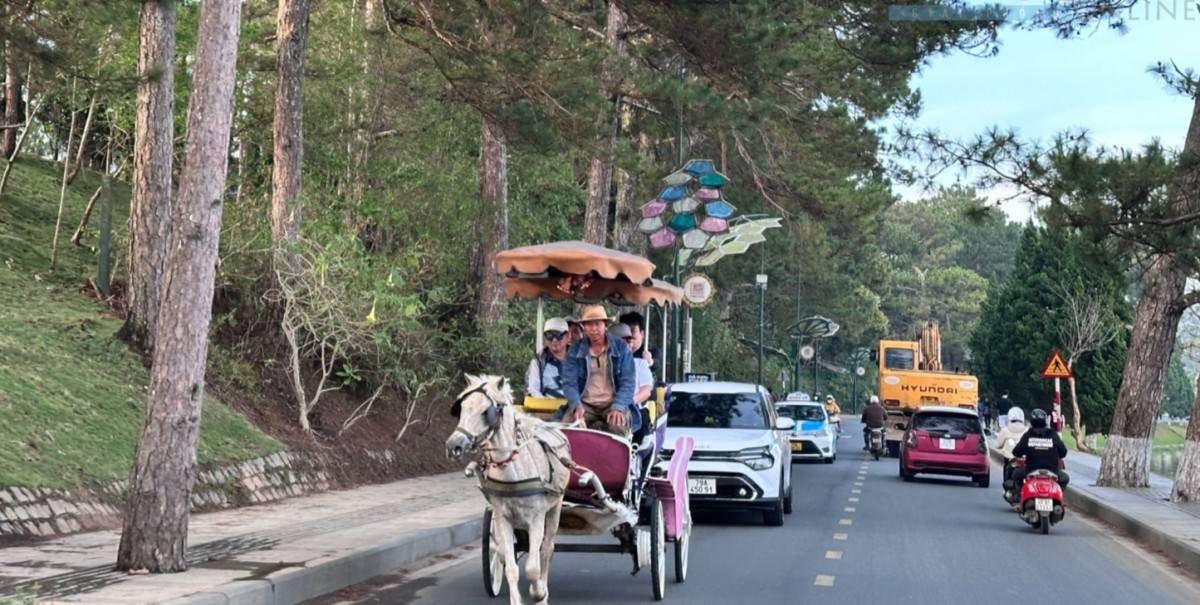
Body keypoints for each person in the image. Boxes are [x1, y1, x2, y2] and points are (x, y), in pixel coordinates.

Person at [558, 305, 638, 437]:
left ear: (605, 325)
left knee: (617, 425)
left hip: (612, 402)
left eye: (597, 324)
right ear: (584, 327)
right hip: (586, 404)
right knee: (568, 428)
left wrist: (618, 406)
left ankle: (621, 457)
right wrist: (576, 405)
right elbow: (569, 383)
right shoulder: (574, 350)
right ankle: (568, 458)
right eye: (589, 325)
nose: (594, 329)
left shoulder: (621, 347)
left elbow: (628, 382)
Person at [1011, 408, 1069, 489]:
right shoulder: (1053, 434)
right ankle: (1059, 496)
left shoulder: (1029, 435)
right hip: (1052, 471)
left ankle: (1020, 495)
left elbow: (1016, 452)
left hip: (1031, 470)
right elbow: (1063, 452)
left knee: (1016, 474)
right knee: (1065, 478)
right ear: (1045, 421)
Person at [525, 317, 569, 399]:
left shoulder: (579, 360)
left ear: (567, 336)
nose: (554, 340)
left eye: (558, 335)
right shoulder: (538, 362)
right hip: (546, 409)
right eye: (549, 335)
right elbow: (532, 390)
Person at [994, 406, 1028, 487]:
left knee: (1006, 466)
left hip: (1009, 458)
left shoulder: (1005, 430)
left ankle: (1006, 483)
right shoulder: (1027, 430)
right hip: (1024, 458)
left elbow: (997, 445)